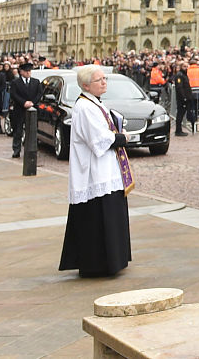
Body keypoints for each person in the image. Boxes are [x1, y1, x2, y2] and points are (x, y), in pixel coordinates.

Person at [59, 66, 132, 277]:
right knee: (97, 218)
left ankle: (113, 261)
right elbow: (98, 139)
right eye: (99, 80)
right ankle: (98, 264)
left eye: (104, 78)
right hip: (94, 171)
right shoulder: (84, 106)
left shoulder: (96, 102)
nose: (104, 82)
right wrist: (121, 138)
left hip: (107, 168)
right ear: (85, 85)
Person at [9, 61, 43, 158]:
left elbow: (39, 93)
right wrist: (23, 102)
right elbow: (14, 94)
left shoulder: (36, 82)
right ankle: (16, 150)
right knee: (18, 131)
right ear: (21, 72)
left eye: (29, 71)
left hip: (33, 109)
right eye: (26, 71)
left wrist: (33, 102)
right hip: (19, 109)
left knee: (31, 131)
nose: (28, 73)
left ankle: (30, 151)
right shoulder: (15, 82)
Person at [173, 61, 195, 136]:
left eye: (186, 66)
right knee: (180, 114)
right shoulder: (179, 75)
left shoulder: (184, 75)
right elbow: (180, 88)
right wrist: (184, 97)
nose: (186, 68)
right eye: (184, 66)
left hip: (187, 97)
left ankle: (189, 128)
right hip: (182, 99)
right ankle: (178, 130)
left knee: (185, 113)